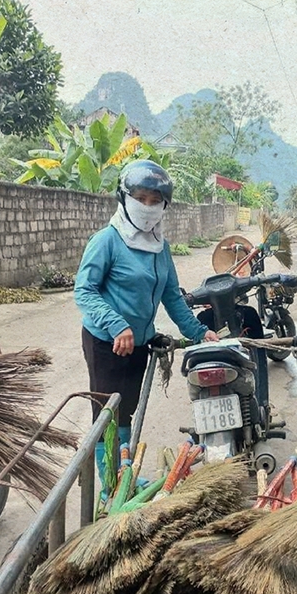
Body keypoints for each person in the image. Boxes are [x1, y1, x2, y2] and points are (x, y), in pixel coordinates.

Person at [74, 160, 218, 467]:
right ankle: (106, 484)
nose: (147, 207)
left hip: (140, 344)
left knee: (127, 410)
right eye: (140, 199)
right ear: (125, 198)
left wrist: (198, 332)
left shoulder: (160, 247)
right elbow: (84, 291)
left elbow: (171, 295)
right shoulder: (107, 241)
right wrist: (116, 325)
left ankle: (121, 472)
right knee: (106, 416)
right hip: (107, 343)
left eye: (155, 201)